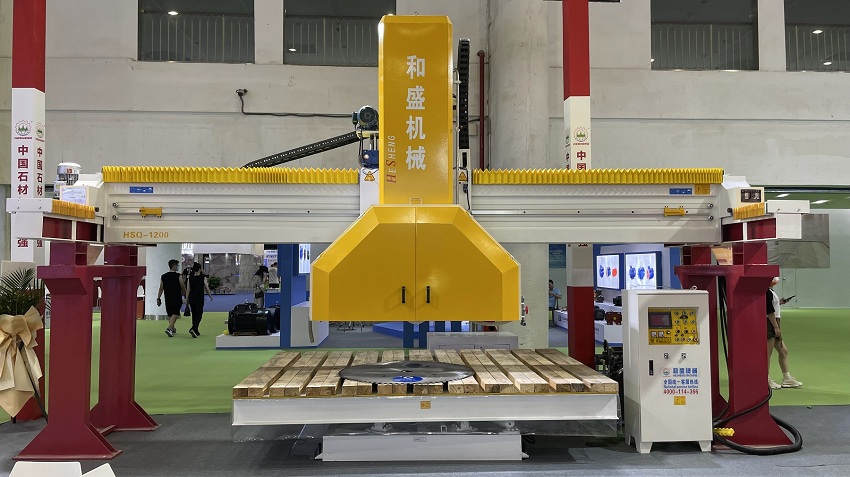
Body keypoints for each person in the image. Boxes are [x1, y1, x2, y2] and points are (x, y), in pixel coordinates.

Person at [767, 277, 802, 389]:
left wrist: (780, 302)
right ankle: (765, 379)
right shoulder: (766, 292)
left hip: (775, 322)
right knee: (767, 353)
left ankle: (787, 378)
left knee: (783, 351)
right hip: (770, 323)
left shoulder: (771, 291)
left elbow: (772, 306)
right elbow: (769, 311)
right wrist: (776, 327)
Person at [157, 259, 186, 338]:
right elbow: (182, 287)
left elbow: (161, 288)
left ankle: (172, 328)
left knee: (170, 313)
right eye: (177, 265)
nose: (178, 267)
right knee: (175, 313)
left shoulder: (163, 276)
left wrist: (158, 298)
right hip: (176, 297)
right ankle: (169, 328)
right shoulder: (178, 276)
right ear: (174, 266)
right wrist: (186, 295)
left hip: (167, 297)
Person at [185, 262, 213, 338]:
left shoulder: (190, 278)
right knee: (199, 314)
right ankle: (194, 328)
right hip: (199, 297)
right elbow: (207, 287)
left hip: (192, 297)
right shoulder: (202, 277)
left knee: (194, 313)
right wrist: (210, 296)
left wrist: (186, 299)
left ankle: (196, 330)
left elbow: (188, 290)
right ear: (200, 269)